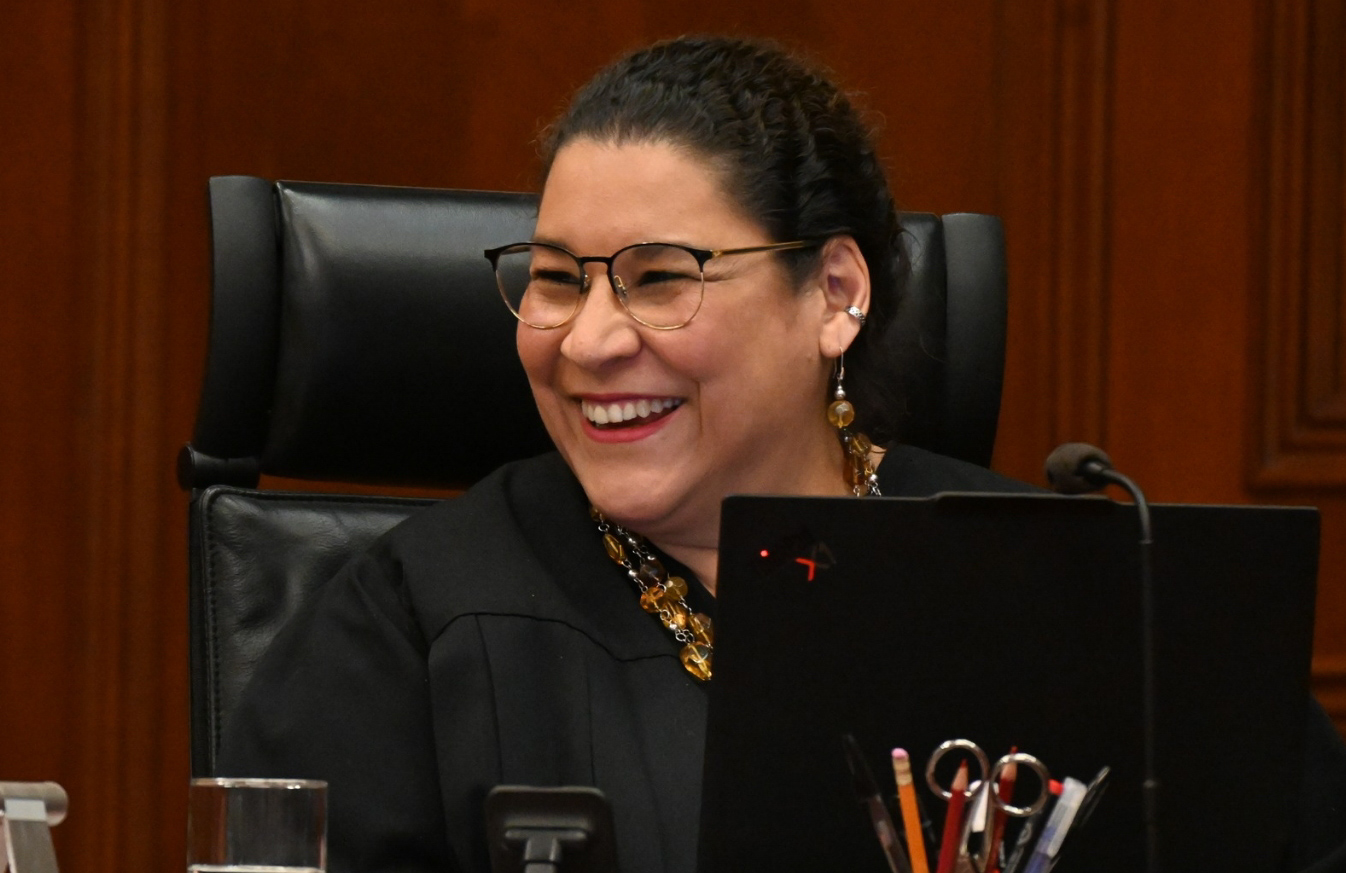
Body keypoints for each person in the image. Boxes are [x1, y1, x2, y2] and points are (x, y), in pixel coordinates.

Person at [218, 35, 1346, 873]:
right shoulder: (407, 623)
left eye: (660, 277)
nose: (590, 340)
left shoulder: (1078, 590)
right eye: (556, 279)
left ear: (834, 294)